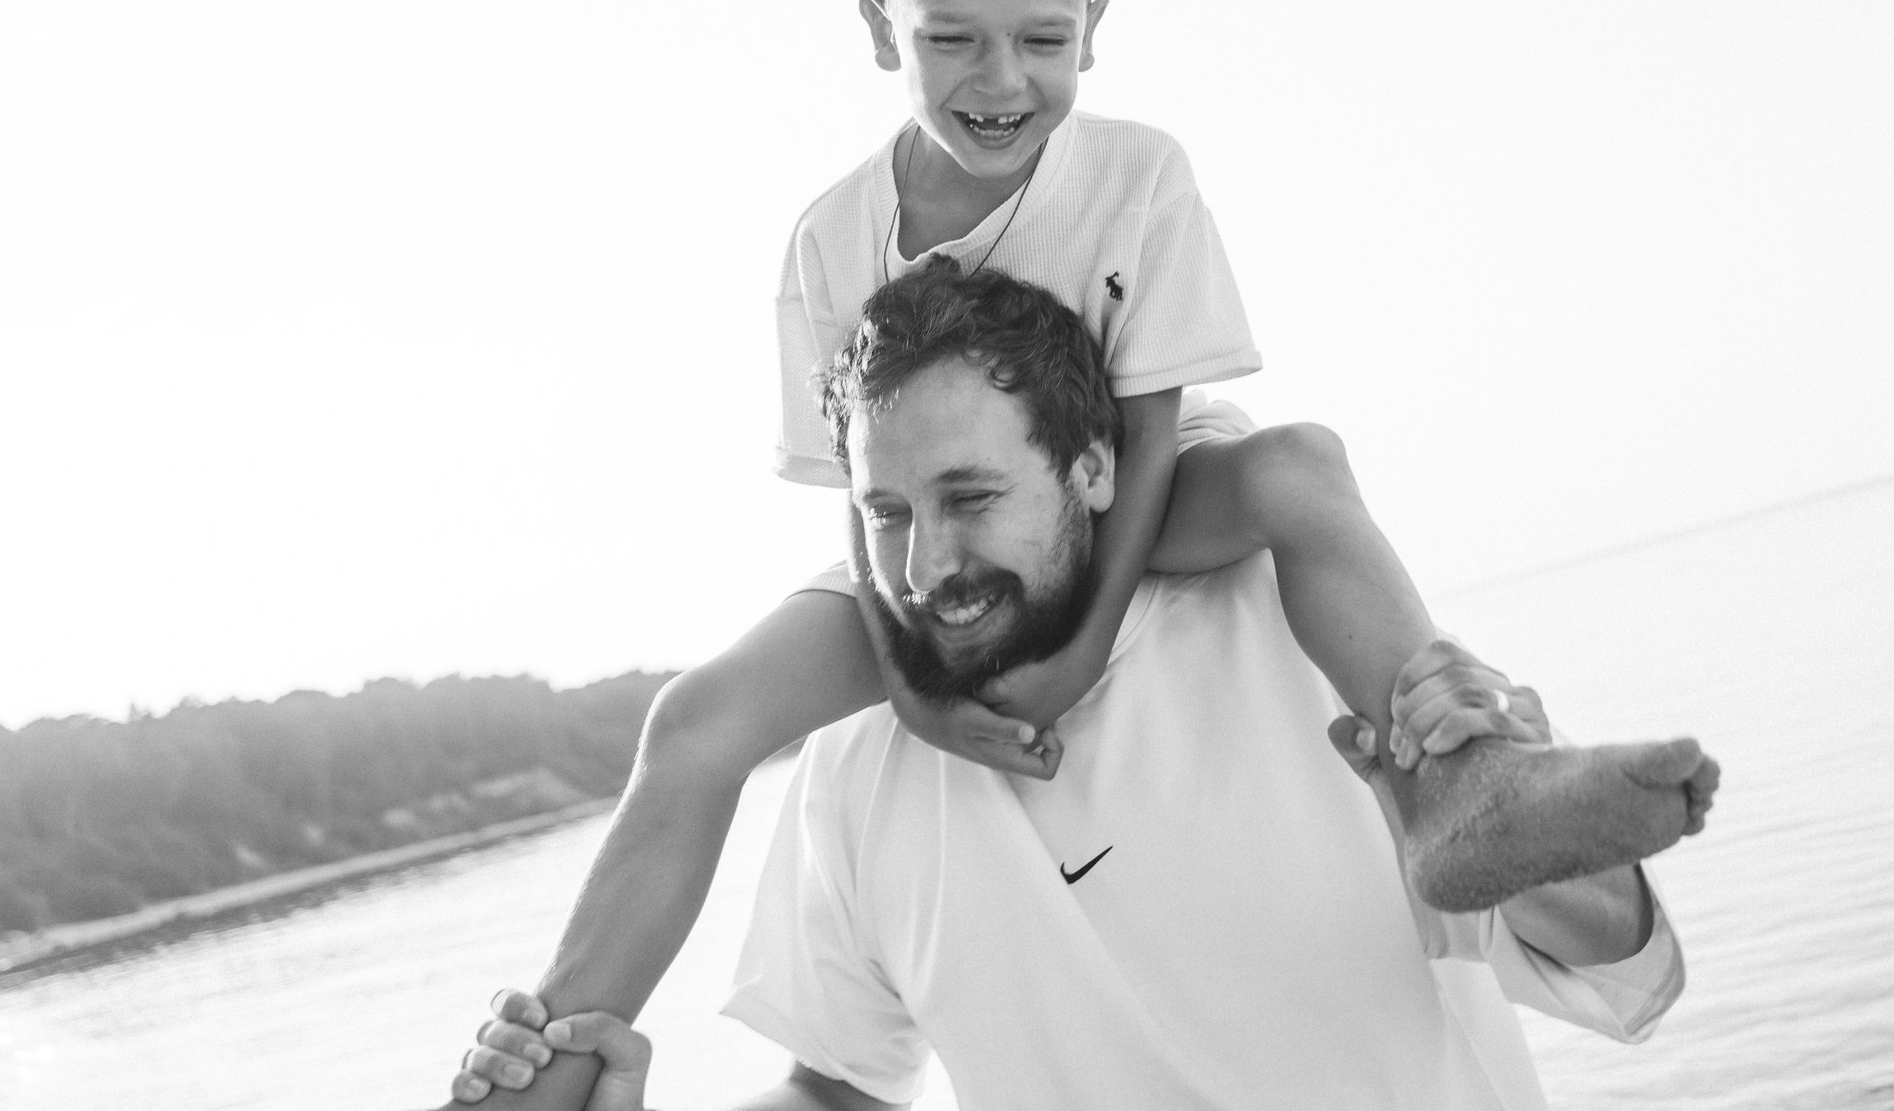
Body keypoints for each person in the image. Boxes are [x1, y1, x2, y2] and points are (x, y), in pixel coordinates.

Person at [464, 0, 1684, 1109]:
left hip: (1157, 476)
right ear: (881, 29)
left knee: (1299, 469)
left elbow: (1148, 434)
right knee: (695, 719)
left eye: (1039, 41)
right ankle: (550, 1064)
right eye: (951, 40)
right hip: (993, 533)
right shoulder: (832, 241)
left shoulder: (1136, 180)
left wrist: (1077, 651)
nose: (999, 81)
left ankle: (1468, 787)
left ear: (1090, 31)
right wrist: (912, 688)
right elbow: (857, 490)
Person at [454, 264, 1720, 1109]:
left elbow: (1617, 952)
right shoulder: (852, 767)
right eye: (886, 513)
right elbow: (840, 1092)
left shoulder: (1303, 628)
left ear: (1097, 470)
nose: (926, 565)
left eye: (970, 497)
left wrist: (1499, 808)